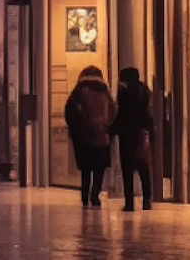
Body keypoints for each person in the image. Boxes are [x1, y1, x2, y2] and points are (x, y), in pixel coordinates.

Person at [65, 65, 116, 207]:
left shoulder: (78, 92)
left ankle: (85, 196)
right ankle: (95, 195)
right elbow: (112, 112)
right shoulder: (105, 91)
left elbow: (70, 112)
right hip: (102, 138)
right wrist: (107, 129)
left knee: (86, 169)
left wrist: (75, 131)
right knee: (99, 169)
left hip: (84, 138)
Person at [112, 67, 154, 212]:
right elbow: (147, 114)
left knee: (128, 169)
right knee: (143, 168)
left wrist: (111, 129)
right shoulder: (143, 91)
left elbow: (122, 113)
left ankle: (129, 202)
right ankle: (147, 200)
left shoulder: (125, 92)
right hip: (141, 132)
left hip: (127, 135)